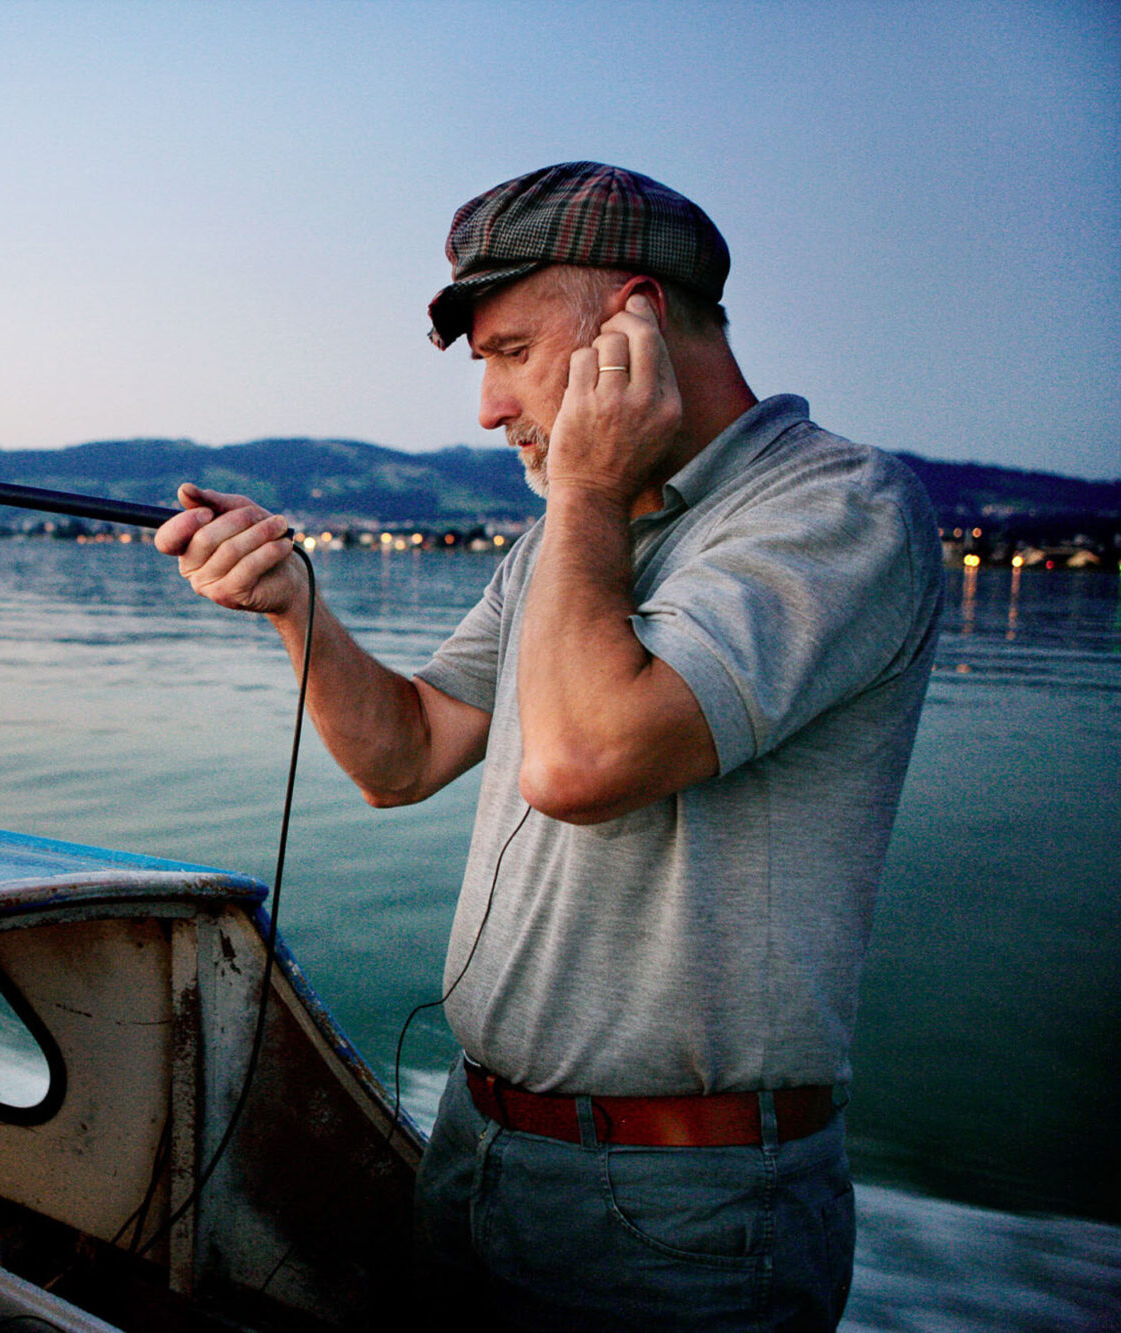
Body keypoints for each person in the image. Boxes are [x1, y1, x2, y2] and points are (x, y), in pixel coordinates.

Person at [154, 162, 943, 1330]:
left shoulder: (835, 507)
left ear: (636, 317)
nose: (484, 407)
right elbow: (403, 756)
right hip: (478, 1147)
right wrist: (294, 608)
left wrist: (580, 487)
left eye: (510, 350)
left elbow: (582, 764)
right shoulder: (561, 542)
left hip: (680, 1208)